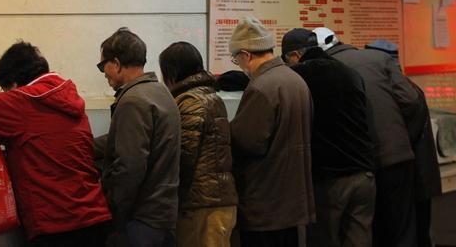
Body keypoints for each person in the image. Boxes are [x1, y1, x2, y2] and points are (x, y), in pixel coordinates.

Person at [0, 41, 112, 246]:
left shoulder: (24, 101)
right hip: (95, 218)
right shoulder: (68, 96)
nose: (5, 95)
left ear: (15, 83)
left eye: (5, 89)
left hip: (55, 225)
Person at [319, 29, 422, 247]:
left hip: (359, 164)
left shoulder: (327, 70)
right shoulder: (379, 58)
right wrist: (401, 135)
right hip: (398, 156)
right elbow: (411, 100)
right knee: (402, 229)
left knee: (369, 230)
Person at [282, 28, 376, 247]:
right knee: (359, 239)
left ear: (294, 55)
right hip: (364, 174)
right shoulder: (350, 73)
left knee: (323, 239)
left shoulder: (300, 76)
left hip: (330, 179)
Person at [228, 16, 315, 247]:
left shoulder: (261, 87)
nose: (239, 65)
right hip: (293, 200)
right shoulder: (296, 80)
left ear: (246, 55)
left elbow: (247, 142)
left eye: (237, 59)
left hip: (266, 201)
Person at [97, 28, 180, 247]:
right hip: (163, 213)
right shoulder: (161, 92)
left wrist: (113, 207)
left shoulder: (132, 101)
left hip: (141, 218)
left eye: (102, 66)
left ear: (116, 63)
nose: (104, 73)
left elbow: (130, 165)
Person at [158, 41, 238, 247]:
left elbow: (184, 156)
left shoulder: (191, 102)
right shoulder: (208, 96)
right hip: (214, 201)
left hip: (203, 205)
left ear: (171, 73)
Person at [365, 39, 442, 247]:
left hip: (411, 174)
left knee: (408, 233)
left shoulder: (402, 93)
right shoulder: (406, 87)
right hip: (418, 175)